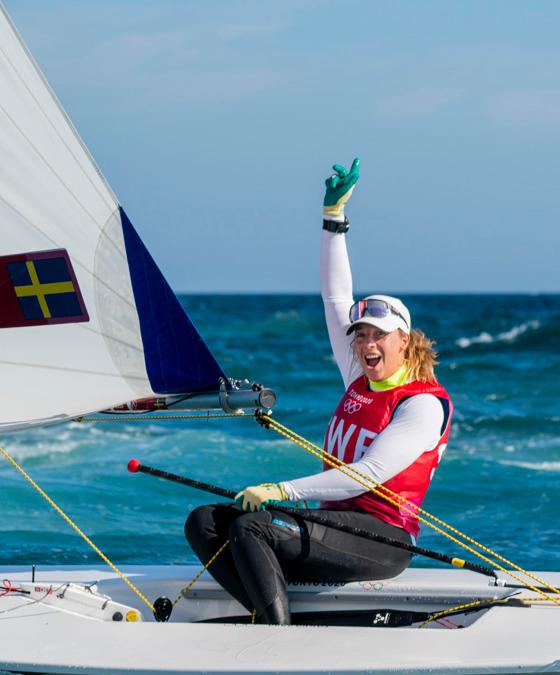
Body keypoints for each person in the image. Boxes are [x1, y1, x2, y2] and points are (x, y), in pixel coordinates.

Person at [184, 159, 453, 624]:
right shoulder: (359, 377)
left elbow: (367, 475)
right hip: (332, 527)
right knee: (204, 522)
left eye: (379, 336)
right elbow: (334, 298)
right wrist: (333, 217)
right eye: (361, 335)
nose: (367, 344)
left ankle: (277, 638)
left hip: (382, 540)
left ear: (404, 341)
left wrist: (279, 489)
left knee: (253, 526)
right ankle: (269, 613)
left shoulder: (422, 404)